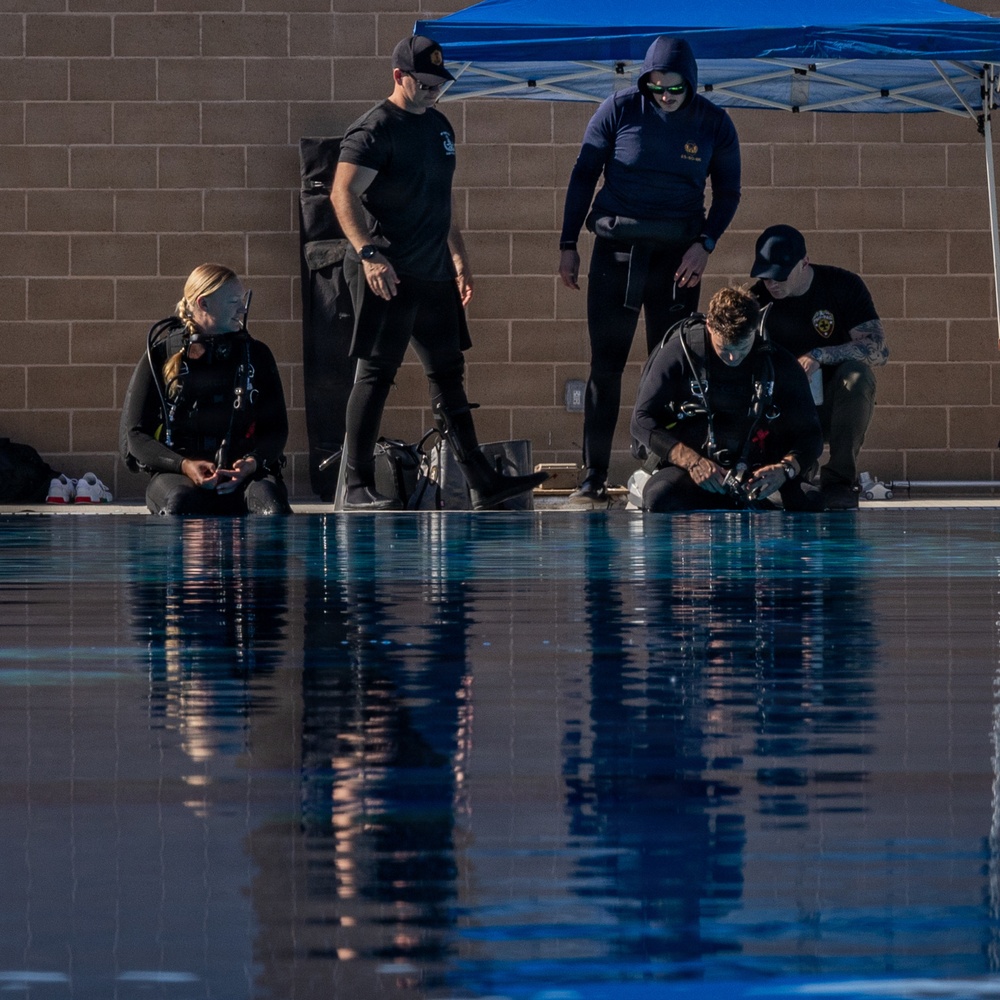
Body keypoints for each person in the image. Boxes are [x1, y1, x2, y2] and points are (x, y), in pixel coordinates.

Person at [331, 34, 547, 511]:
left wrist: (459, 258)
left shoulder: (439, 126)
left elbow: (440, 197)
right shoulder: (374, 129)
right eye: (424, 84)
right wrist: (368, 254)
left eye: (439, 85)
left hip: (432, 271)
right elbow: (341, 192)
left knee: (449, 373)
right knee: (376, 374)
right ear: (399, 76)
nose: (432, 92)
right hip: (388, 270)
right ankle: (356, 483)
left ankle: (481, 481)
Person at [558, 35, 742, 507]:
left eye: (674, 87)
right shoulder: (619, 110)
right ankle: (593, 476)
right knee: (606, 366)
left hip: (679, 260)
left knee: (673, 370)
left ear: (691, 83)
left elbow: (728, 193)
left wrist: (705, 245)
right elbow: (583, 175)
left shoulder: (713, 123)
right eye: (656, 87)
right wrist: (568, 243)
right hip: (617, 253)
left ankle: (664, 468)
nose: (665, 96)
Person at [630, 286, 823, 513]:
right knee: (658, 498)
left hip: (759, 473)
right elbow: (641, 420)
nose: (733, 357)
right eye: (725, 348)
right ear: (710, 326)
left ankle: (739, 503)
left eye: (742, 348)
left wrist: (785, 469)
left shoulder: (778, 362)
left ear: (754, 331)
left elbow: (812, 435)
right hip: (695, 470)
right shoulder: (681, 353)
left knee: (812, 501)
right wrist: (692, 461)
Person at [120, 263, 292, 516]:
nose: (243, 309)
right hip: (178, 477)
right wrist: (184, 465)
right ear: (204, 304)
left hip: (244, 477)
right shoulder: (161, 354)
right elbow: (136, 436)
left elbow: (277, 429)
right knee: (180, 503)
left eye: (243, 300)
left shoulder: (257, 355)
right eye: (234, 301)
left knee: (271, 505)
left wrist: (251, 463)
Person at [749, 224, 889, 510]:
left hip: (831, 408)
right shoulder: (757, 301)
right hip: (784, 412)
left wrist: (819, 355)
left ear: (804, 263)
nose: (772, 284)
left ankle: (839, 480)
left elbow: (878, 351)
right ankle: (795, 470)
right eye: (765, 276)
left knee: (857, 376)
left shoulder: (842, 286)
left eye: (779, 276)